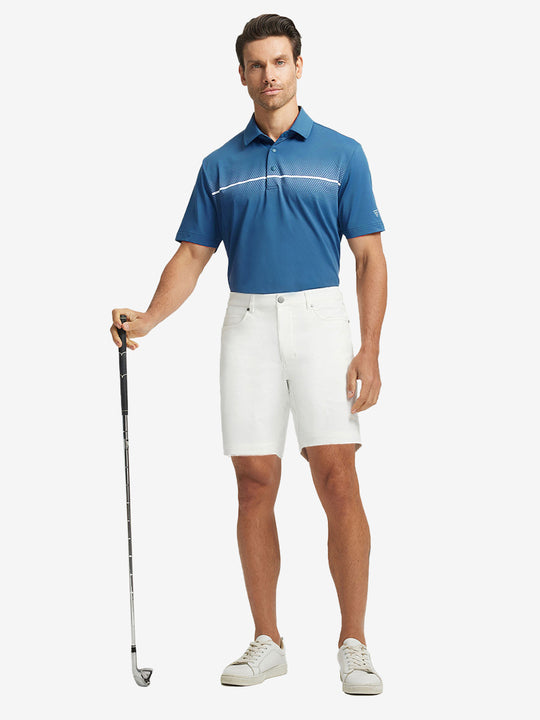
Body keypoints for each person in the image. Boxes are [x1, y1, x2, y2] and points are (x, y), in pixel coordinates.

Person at [110, 13, 388, 695]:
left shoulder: (343, 154)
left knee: (337, 477)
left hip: (322, 322)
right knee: (254, 482)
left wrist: (370, 348)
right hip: (248, 325)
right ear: (241, 74)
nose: (270, 76)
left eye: (280, 62)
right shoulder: (219, 165)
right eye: (257, 64)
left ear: (299, 66)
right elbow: (192, 256)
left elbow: (369, 258)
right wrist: (149, 318)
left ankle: (354, 643)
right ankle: (269, 640)